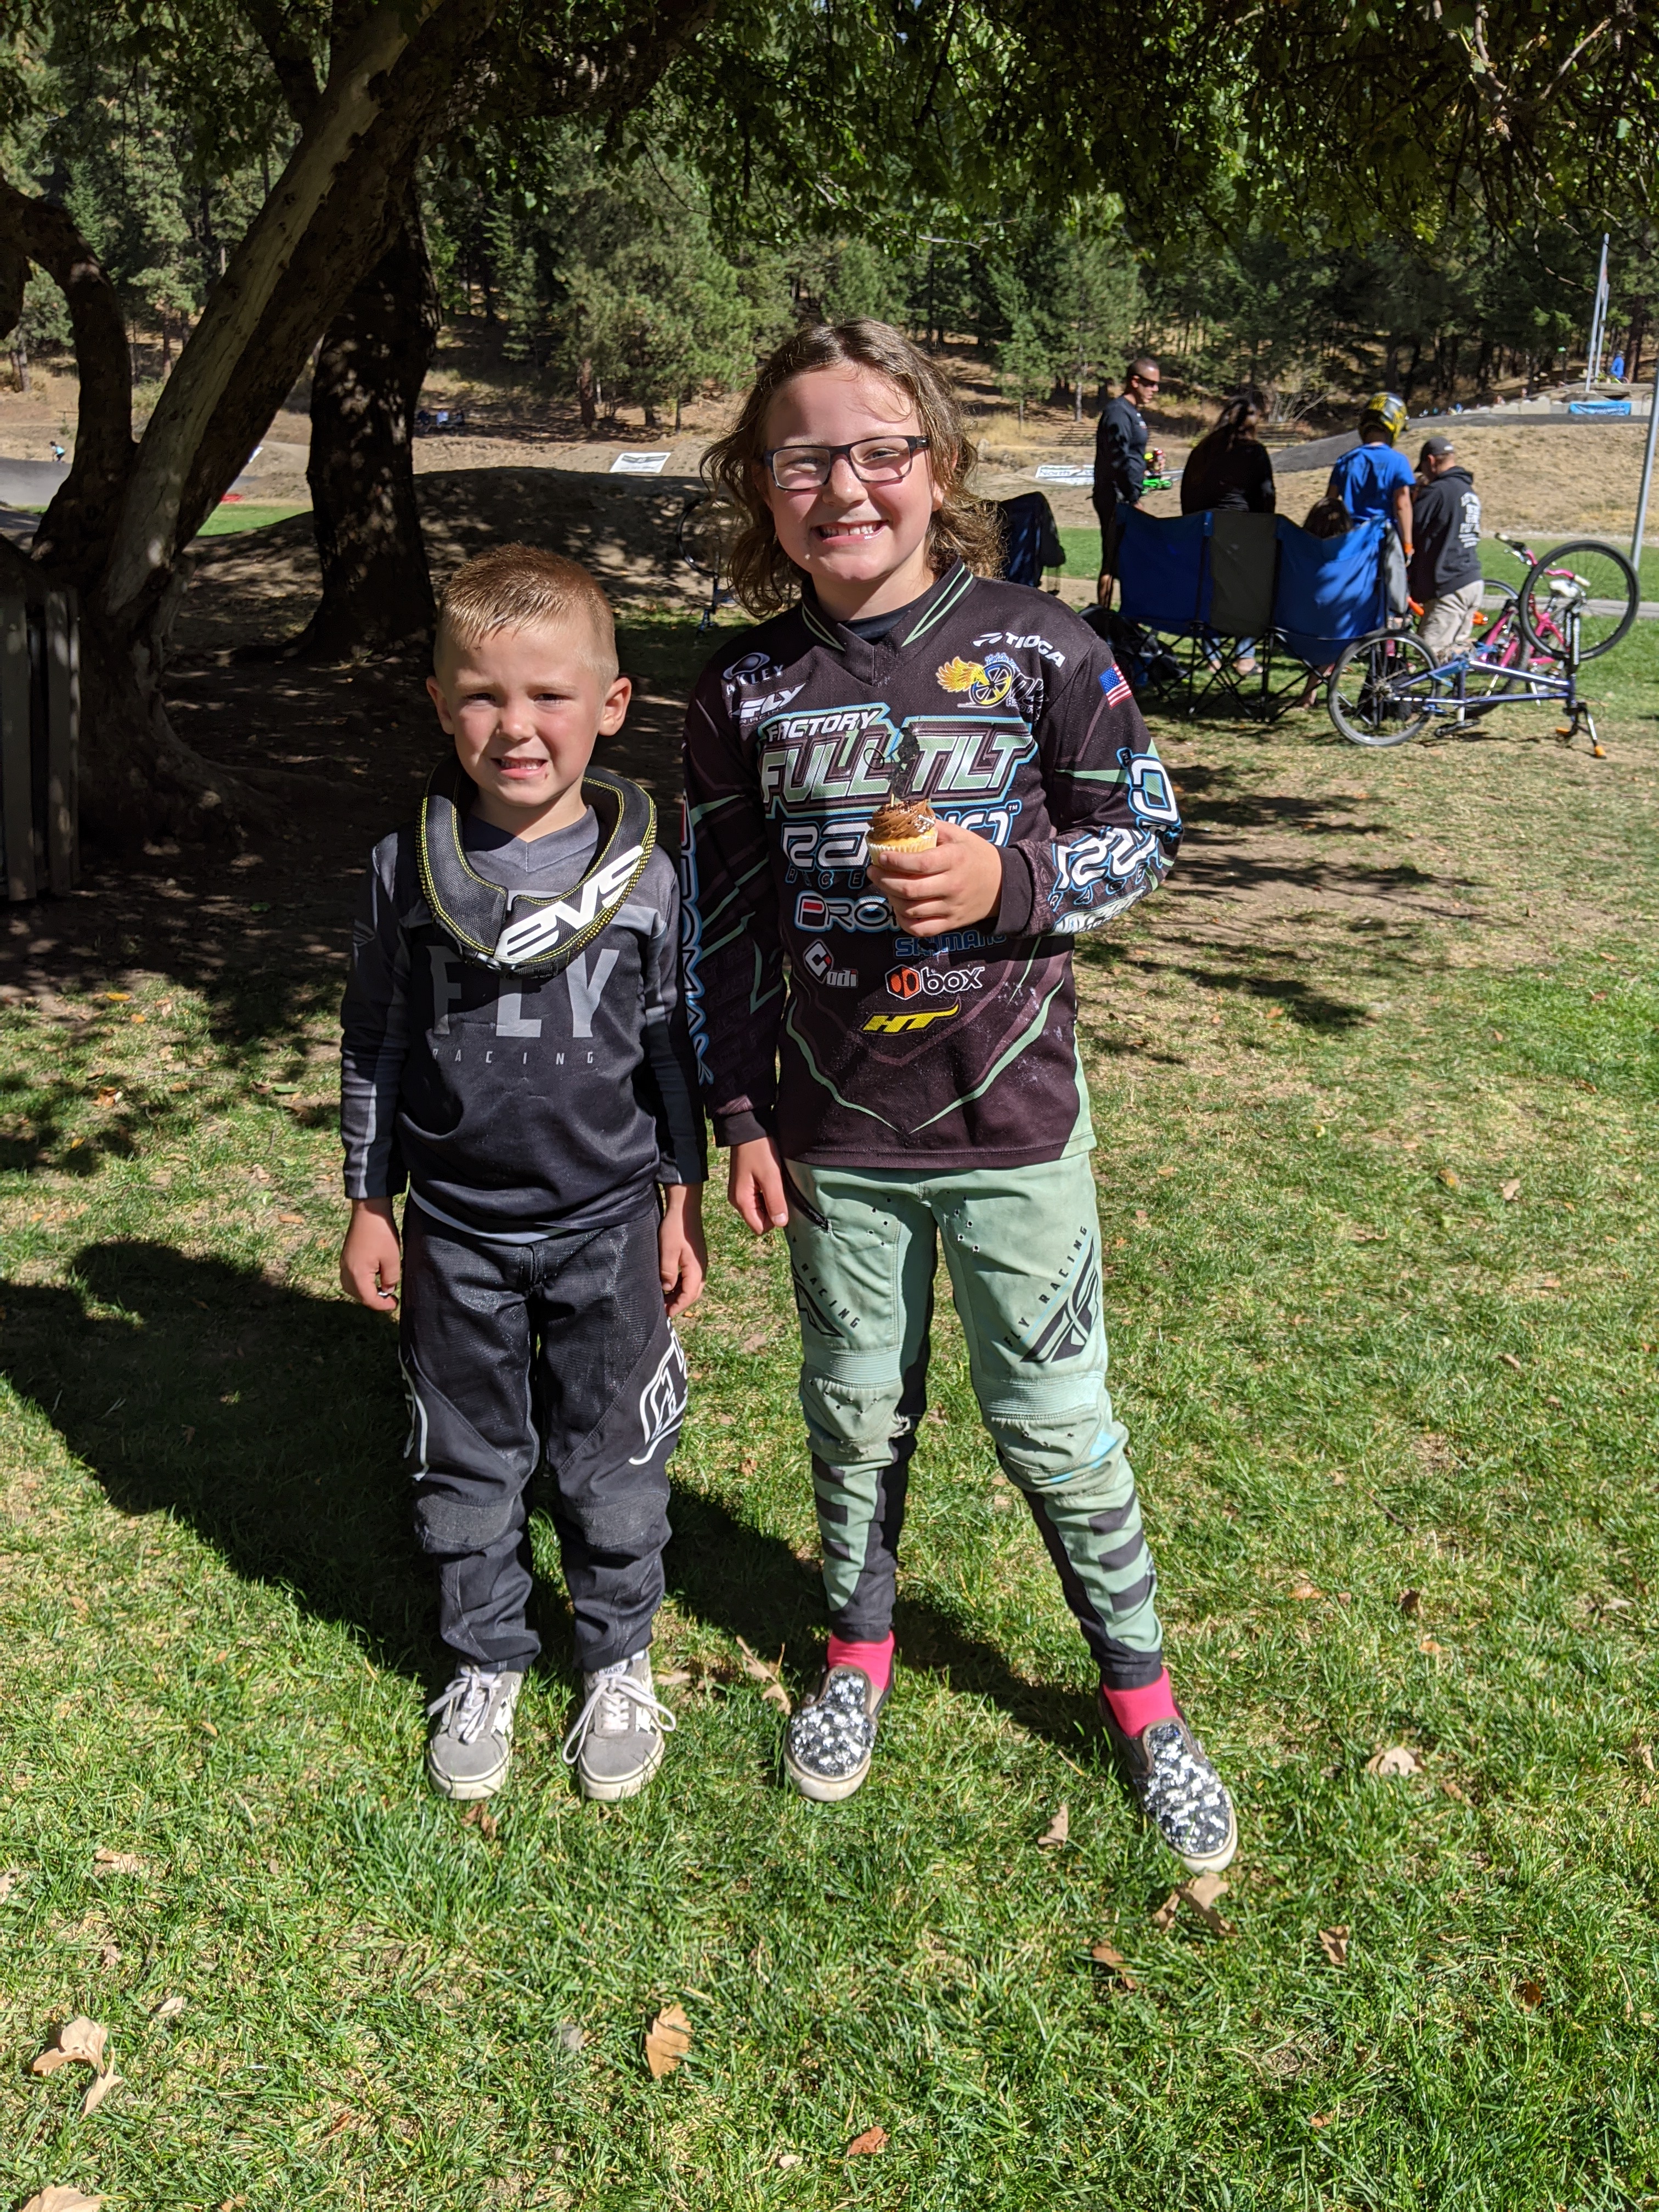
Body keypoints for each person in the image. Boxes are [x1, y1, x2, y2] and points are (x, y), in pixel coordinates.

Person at [681, 318, 1237, 1876]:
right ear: (760, 486)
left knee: (1059, 1430)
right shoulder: (739, 687)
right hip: (830, 1139)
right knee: (854, 1414)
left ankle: (1144, 1707)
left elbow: (1150, 831)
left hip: (1014, 1131)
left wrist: (1010, 883)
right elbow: (722, 920)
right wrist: (737, 1114)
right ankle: (857, 1653)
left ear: (938, 467)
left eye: (881, 452)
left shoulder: (1044, 646)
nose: (845, 488)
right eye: (804, 460)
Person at [339, 545, 707, 1805]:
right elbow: (375, 1042)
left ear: (611, 704)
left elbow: (672, 1051)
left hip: (609, 1223)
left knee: (614, 1452)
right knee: (468, 1454)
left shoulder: (649, 879)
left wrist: (681, 1198)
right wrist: (368, 1203)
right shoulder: (403, 871)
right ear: (439, 705)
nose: (517, 727)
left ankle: (617, 1653)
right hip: (454, 1227)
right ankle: (487, 1652)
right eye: (483, 696)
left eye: (550, 695)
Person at [1181, 386, 1275, 674]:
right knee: (1254, 590)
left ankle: (1212, 656)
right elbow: (1267, 500)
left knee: (1209, 591)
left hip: (1203, 538)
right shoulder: (1254, 452)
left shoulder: (1202, 452)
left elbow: (1187, 497)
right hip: (1242, 538)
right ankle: (1245, 656)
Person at [1408, 435, 1483, 660]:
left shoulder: (1438, 491)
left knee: (1429, 653)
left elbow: (1411, 529)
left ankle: (1492, 653)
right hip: (1471, 580)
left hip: (1449, 585)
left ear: (1431, 461)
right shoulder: (1468, 491)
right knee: (1453, 657)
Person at [1094, 354, 1160, 603]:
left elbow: (1130, 456)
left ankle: (1126, 615)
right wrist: (1132, 499)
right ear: (1135, 381)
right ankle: (1104, 615)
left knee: (1129, 557)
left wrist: (1147, 464)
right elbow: (1116, 460)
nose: (1155, 390)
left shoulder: (1133, 414)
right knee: (1112, 559)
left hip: (1127, 494)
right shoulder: (1118, 412)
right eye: (1150, 384)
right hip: (1115, 496)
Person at [1325, 392, 1414, 559]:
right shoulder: (1398, 461)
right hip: (1382, 543)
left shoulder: (1345, 461)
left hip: (1350, 542)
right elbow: (1402, 505)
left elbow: (1329, 503)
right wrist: (1407, 545)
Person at [1180, 387, 1275, 517]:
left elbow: (1186, 492)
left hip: (1199, 523)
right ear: (1252, 426)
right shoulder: (1254, 451)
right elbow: (1267, 496)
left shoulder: (1202, 449)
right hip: (1238, 523)